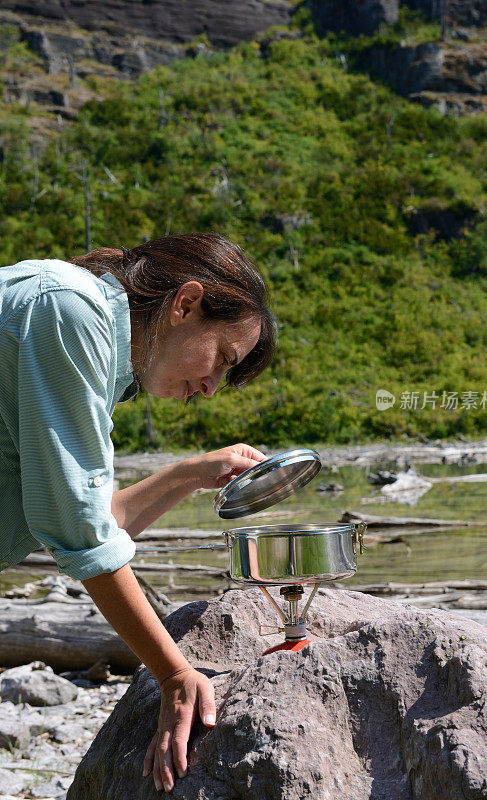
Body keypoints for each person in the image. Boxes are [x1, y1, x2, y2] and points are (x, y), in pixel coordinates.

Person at [0, 232, 277, 793]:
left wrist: (191, 474)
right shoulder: (65, 310)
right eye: (222, 359)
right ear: (185, 303)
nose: (210, 388)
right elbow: (82, 531)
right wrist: (175, 673)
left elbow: (87, 518)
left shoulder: (94, 349)